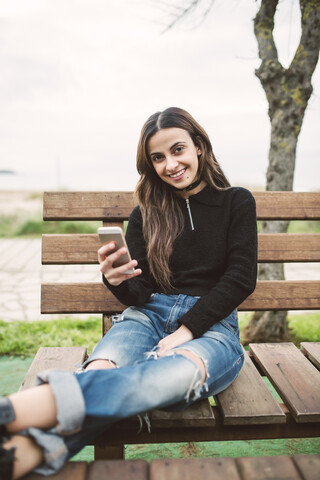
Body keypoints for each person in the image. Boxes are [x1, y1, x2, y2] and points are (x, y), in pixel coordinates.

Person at [0, 107, 257, 479]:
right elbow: (140, 292)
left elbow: (240, 279)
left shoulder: (237, 201)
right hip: (147, 315)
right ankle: (22, 452)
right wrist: (116, 278)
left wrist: (186, 332)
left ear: (199, 147)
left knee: (175, 377)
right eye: (158, 157)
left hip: (212, 327)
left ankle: (21, 412)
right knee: (104, 369)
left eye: (178, 149)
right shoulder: (147, 212)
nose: (170, 164)